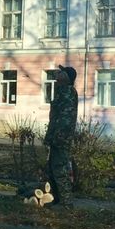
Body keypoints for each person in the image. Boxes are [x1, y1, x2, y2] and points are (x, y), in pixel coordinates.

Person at [44, 65, 78, 208]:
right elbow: (55, 117)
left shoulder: (67, 92)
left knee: (60, 168)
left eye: (61, 72)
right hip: (56, 137)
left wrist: (56, 137)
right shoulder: (62, 91)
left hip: (61, 138)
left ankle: (66, 202)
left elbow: (64, 119)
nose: (58, 74)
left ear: (67, 77)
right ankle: (57, 199)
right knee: (53, 168)